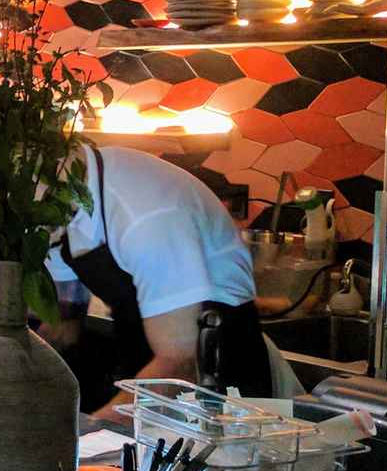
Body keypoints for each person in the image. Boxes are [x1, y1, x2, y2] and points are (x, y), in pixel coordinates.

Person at [41, 143, 273, 420]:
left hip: (216, 381)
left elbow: (180, 364)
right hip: (141, 365)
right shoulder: (58, 206)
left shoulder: (144, 217)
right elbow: (63, 327)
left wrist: (90, 430)